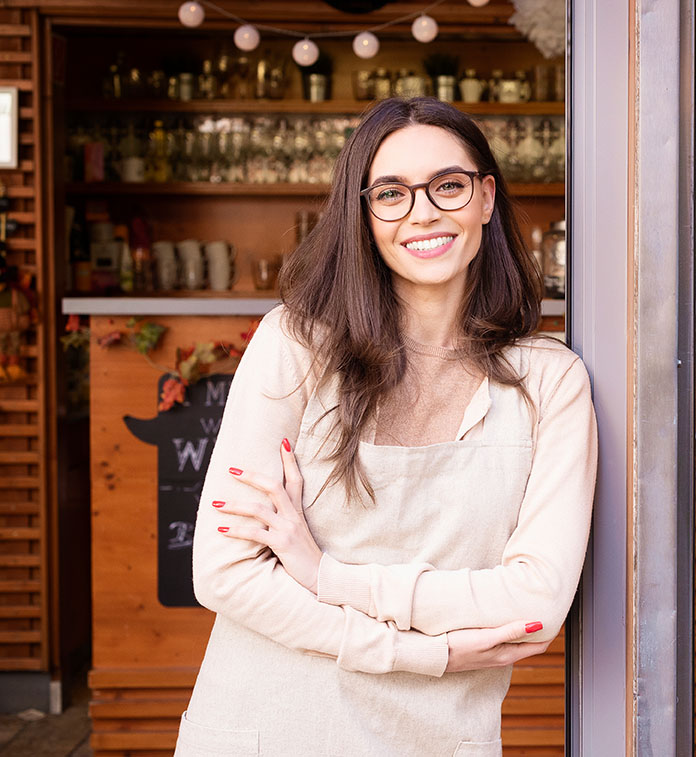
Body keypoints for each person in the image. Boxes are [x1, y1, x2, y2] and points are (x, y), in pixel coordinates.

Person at [174, 97, 598, 756]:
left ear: (486, 197)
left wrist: (325, 575)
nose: (423, 212)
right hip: (269, 727)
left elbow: (537, 598)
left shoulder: (551, 382)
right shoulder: (295, 346)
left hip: (441, 737)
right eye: (391, 193)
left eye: (448, 186)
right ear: (364, 214)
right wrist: (426, 653)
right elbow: (224, 573)